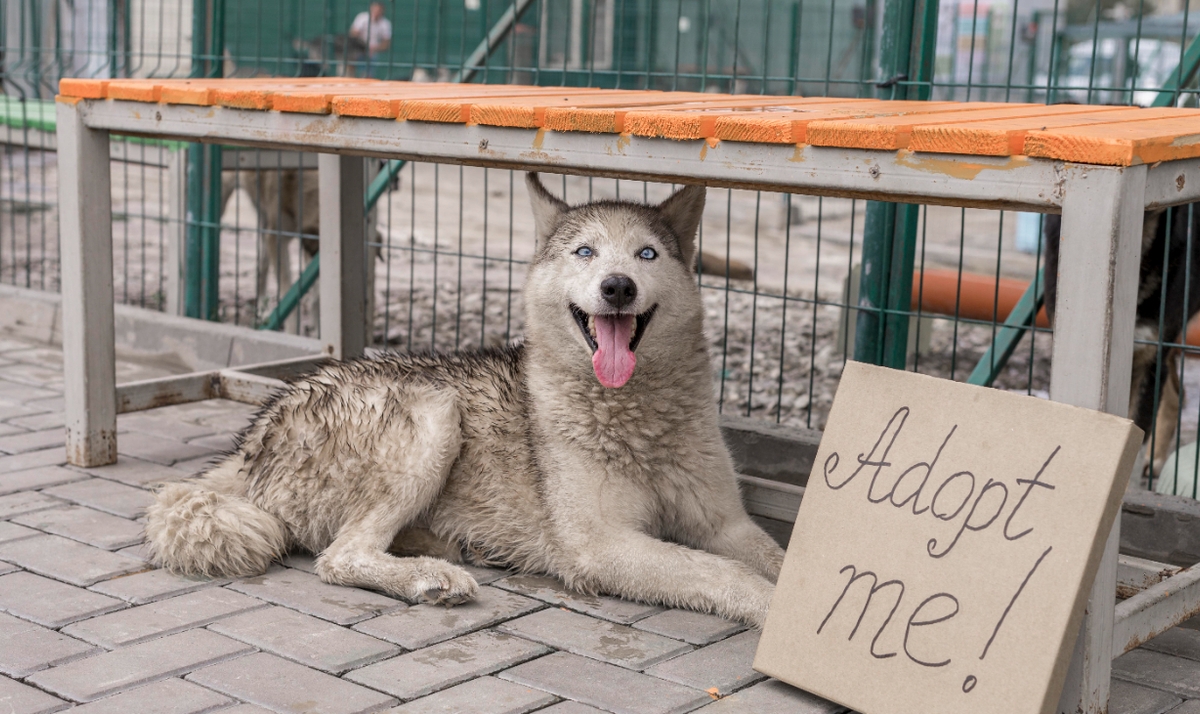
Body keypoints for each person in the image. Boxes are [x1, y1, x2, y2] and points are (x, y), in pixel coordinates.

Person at [347, 3, 392, 76]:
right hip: (358, 48)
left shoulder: (385, 24)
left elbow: (386, 43)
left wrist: (374, 48)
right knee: (350, 62)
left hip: (372, 52)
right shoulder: (362, 18)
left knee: (368, 72)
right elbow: (353, 34)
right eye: (375, 10)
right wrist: (361, 44)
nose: (376, 12)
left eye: (379, 10)